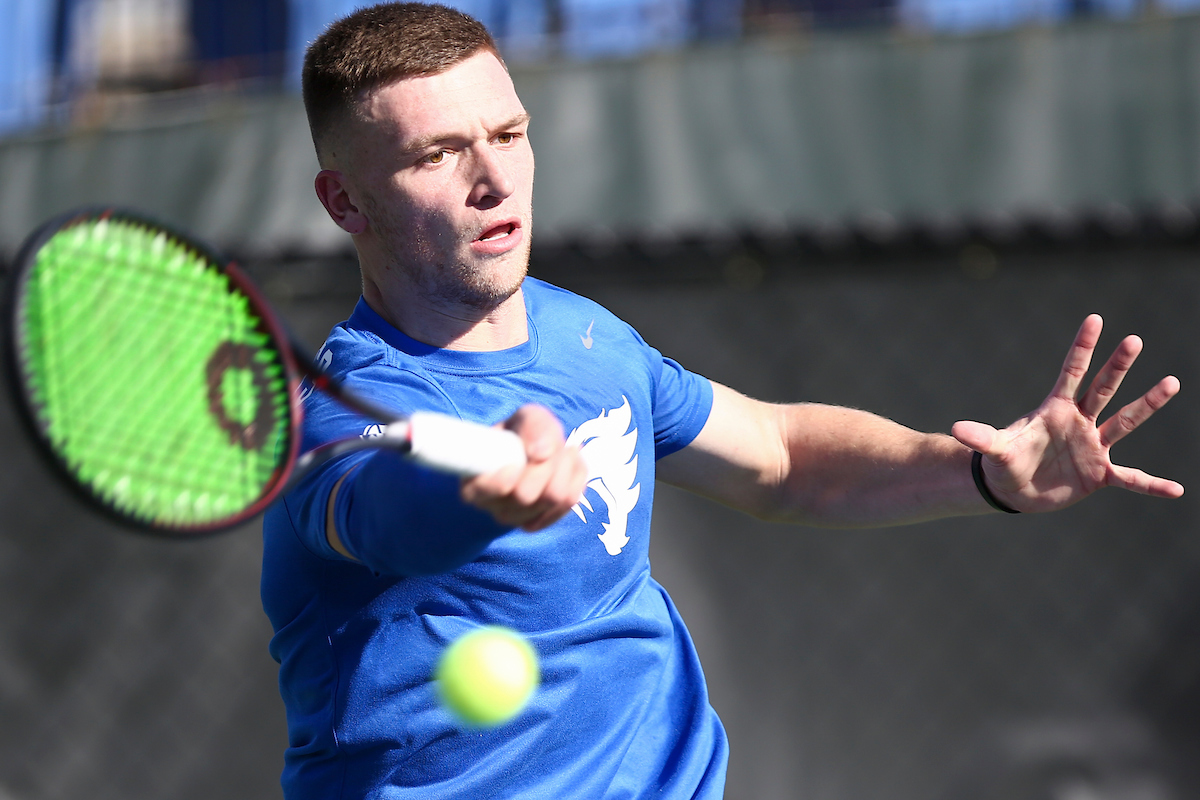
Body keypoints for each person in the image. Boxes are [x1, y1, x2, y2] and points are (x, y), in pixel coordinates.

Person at [261, 3, 1184, 798]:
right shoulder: (339, 412)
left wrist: (981, 472)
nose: (494, 179)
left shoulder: (587, 337)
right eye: (439, 154)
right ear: (345, 202)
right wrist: (481, 490)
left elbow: (780, 458)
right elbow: (382, 511)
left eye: (509, 134)